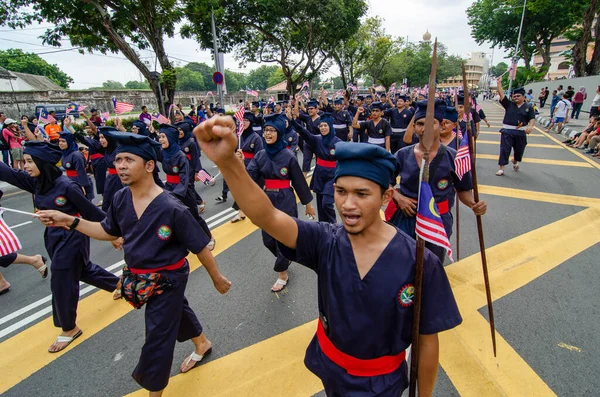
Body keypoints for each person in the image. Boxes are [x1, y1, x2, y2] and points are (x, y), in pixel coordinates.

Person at [194, 115, 462, 396]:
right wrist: (228, 163)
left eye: (362, 193)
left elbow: (427, 340)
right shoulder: (325, 240)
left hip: (383, 384)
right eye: (340, 191)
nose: (348, 205)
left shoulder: (420, 261)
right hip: (331, 371)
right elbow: (268, 216)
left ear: (386, 197)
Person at [38, 132, 231, 397]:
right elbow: (107, 230)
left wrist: (217, 278)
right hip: (139, 278)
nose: (120, 165)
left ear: (149, 165)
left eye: (129, 159)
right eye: (118, 159)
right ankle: (202, 343)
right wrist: (68, 220)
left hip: (168, 279)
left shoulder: (172, 207)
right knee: (176, 312)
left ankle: (154, 391)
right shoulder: (119, 199)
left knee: (157, 338)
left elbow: (200, 247)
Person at [0, 141, 119, 352]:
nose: (25, 166)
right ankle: (120, 285)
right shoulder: (36, 182)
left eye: (29, 161)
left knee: (61, 279)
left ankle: (69, 328)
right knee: (82, 270)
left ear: (43, 163)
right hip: (53, 237)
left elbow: (91, 212)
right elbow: (7, 172)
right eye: (25, 161)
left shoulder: (67, 186)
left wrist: (112, 234)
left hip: (73, 235)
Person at [389, 100, 486, 263]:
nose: (424, 128)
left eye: (430, 123)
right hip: (406, 218)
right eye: (419, 123)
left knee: (432, 265)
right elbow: (384, 181)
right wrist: (398, 198)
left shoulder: (453, 157)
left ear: (441, 126)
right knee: (402, 264)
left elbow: (463, 190)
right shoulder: (402, 155)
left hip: (438, 220)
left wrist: (474, 204)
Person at [246, 114, 315, 292]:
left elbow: (299, 181)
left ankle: (282, 273)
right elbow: (249, 177)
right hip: (266, 200)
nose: (267, 134)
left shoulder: (288, 155)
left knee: (283, 238)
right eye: (266, 130)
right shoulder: (260, 155)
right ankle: (286, 257)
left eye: (272, 130)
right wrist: (239, 165)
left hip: (285, 198)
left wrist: (307, 203)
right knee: (268, 240)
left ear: (279, 132)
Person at [291, 109, 340, 223]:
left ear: (330, 126)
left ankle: (333, 225)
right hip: (319, 174)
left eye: (325, 125)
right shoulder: (317, 139)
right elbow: (304, 132)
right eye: (321, 126)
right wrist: (292, 121)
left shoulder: (338, 142)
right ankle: (324, 226)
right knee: (320, 205)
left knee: (327, 203)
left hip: (332, 175)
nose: (323, 128)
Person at [495, 79, 535, 176]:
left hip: (520, 132)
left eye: (518, 96)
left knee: (519, 151)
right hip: (507, 131)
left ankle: (515, 161)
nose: (515, 97)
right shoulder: (509, 105)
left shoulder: (528, 107)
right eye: (514, 96)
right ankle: (501, 169)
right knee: (504, 150)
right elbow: (501, 93)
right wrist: (499, 83)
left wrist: (530, 126)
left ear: (524, 97)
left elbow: (532, 118)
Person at [230, 111, 264, 223]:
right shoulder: (238, 137)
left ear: (251, 122)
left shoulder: (256, 138)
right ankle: (241, 212)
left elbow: (260, 155)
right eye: (241, 121)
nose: (243, 123)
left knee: (254, 191)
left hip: (253, 167)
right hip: (240, 166)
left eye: (246, 120)